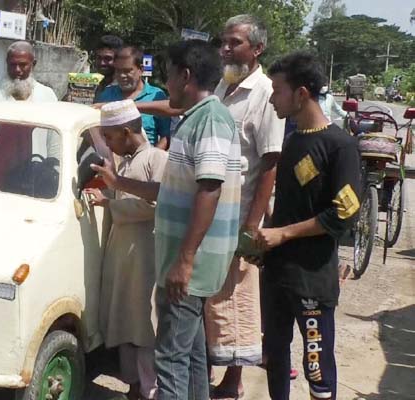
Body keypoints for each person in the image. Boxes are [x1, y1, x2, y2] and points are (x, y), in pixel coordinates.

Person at [92, 40, 241, 400]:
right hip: (184, 260)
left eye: (170, 76)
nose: (166, 85)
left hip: (189, 264)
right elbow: (171, 191)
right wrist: (119, 183)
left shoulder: (209, 120)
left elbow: (209, 189)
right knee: (190, 356)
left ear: (185, 76)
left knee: (171, 359)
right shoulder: (195, 120)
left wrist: (185, 260)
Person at [255, 51, 361, 400]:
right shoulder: (292, 139)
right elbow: (289, 206)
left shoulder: (340, 146)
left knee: (316, 363)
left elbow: (344, 213)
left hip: (312, 279)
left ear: (301, 94)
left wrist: (283, 233)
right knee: (274, 356)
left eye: (277, 90)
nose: (272, 98)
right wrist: (264, 238)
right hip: (276, 273)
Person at [204, 15, 285, 400]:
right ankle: (205, 368)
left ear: (257, 49)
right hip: (211, 210)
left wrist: (252, 225)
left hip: (240, 217)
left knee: (237, 299)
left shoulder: (265, 94)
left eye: (234, 42)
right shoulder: (224, 85)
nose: (225, 49)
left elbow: (270, 163)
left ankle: (233, 381)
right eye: (223, 41)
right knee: (210, 294)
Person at [85, 99, 167, 400]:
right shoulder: (125, 162)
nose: (108, 144)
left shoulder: (156, 159)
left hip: (144, 256)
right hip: (123, 254)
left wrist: (111, 203)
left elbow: (155, 204)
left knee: (145, 326)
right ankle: (134, 385)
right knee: (124, 322)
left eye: (109, 137)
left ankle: (151, 390)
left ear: (126, 131)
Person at [0, 41, 58, 169]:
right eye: (12, 65)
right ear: (6, 63)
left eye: (23, 65)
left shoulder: (47, 96)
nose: (17, 70)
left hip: (37, 177)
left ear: (33, 64)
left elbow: (54, 143)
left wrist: (54, 174)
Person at [97, 46, 171, 149]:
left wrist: (150, 158)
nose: (122, 76)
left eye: (127, 71)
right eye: (118, 71)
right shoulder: (106, 95)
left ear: (141, 69)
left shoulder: (156, 96)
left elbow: (166, 136)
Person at [93, 34, 124, 101]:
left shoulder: (123, 87)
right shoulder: (101, 85)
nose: (102, 63)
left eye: (108, 59)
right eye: (99, 58)